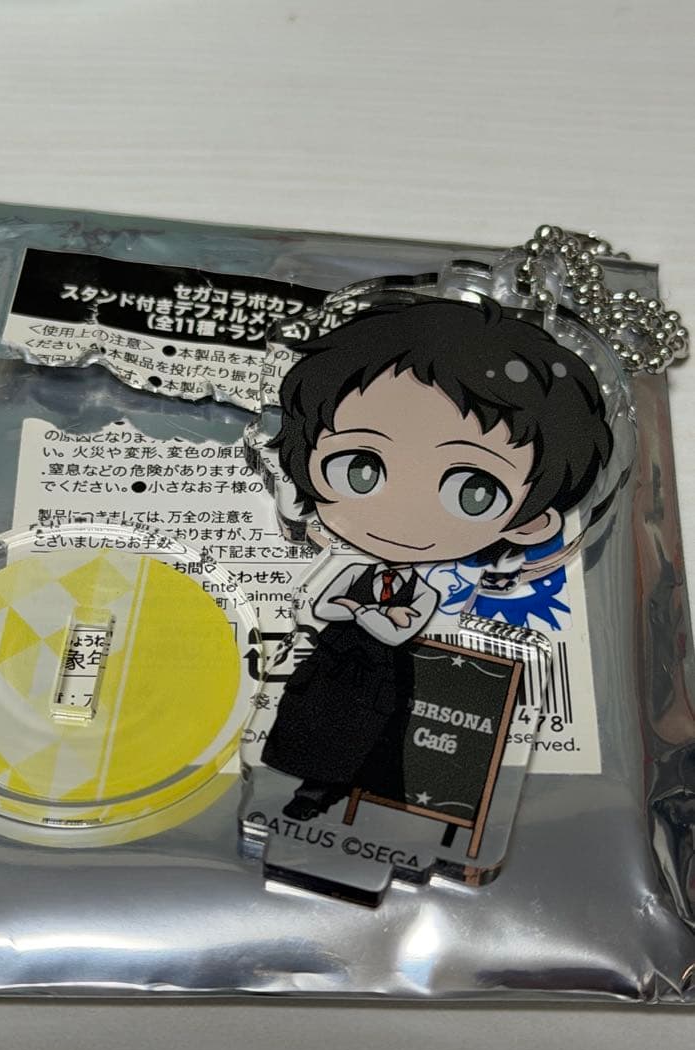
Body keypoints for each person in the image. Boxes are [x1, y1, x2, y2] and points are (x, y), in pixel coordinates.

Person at [260, 296, 613, 821]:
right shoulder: (355, 569)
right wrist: (370, 614)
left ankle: (332, 790)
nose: (403, 513)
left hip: (380, 673)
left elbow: (394, 631)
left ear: (530, 523)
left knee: (364, 733)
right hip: (331, 664)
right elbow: (327, 608)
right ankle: (301, 779)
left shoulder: (422, 589)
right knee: (307, 719)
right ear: (302, 463)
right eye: (360, 468)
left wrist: (361, 612)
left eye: (473, 491)